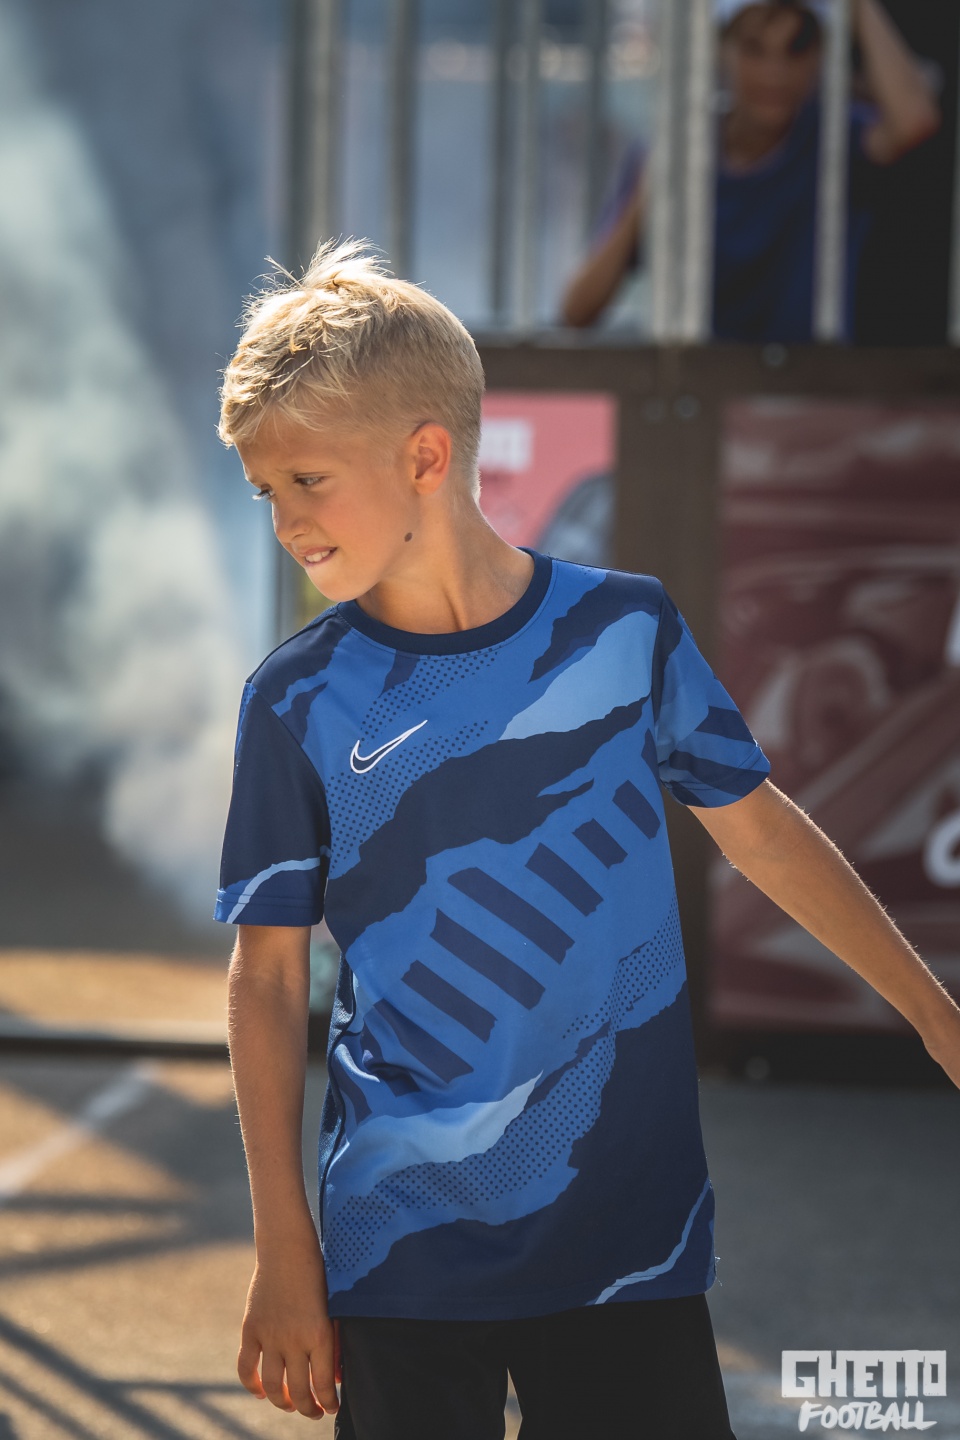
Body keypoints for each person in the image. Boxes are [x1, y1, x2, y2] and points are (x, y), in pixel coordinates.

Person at [214, 238, 960, 1438]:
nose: (287, 521)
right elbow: (265, 980)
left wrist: (935, 1015)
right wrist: (284, 1250)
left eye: (307, 479)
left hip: (628, 1242)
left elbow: (765, 837)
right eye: (267, 493)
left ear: (425, 457)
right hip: (401, 1252)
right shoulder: (295, 700)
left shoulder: (626, 632)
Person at [561, 0, 939, 341]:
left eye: (795, 49)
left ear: (819, 58)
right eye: (753, 49)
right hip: (702, 387)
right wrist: (648, 194)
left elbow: (914, 119)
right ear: (719, 51)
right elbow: (577, 312)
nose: (774, 72)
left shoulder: (832, 141)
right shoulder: (678, 152)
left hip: (808, 386)